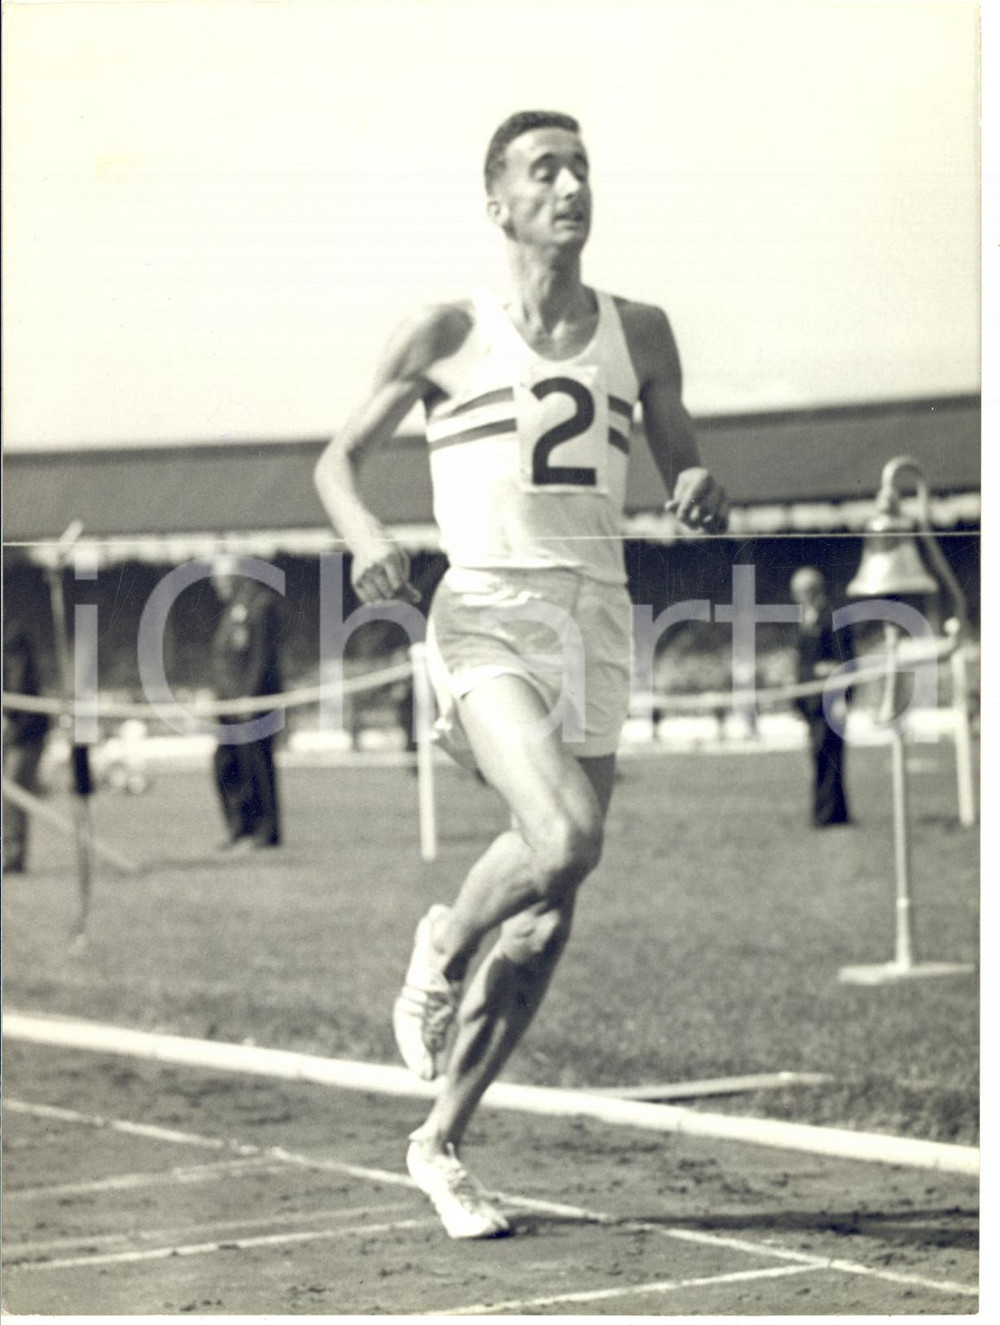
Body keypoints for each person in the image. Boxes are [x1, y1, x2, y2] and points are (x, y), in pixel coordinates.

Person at [314, 110, 728, 1239]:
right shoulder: (448, 330)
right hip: (486, 613)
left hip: (593, 620)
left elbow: (684, 459)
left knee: (548, 912)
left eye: (582, 165)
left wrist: (696, 487)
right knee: (563, 835)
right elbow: (336, 460)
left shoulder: (639, 331)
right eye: (544, 169)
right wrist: (365, 543)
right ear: (497, 202)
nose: (570, 184)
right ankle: (440, 946)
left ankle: (438, 1141)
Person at [210, 557, 284, 852]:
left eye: (222, 581)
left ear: (236, 577)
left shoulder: (260, 604)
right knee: (225, 764)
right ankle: (239, 826)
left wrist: (250, 696)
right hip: (228, 705)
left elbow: (262, 657)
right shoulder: (232, 608)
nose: (218, 587)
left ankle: (266, 831)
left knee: (258, 765)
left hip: (252, 703)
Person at [790, 566, 852, 827]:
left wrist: (841, 698)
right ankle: (830, 812)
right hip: (811, 702)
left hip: (829, 700)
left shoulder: (832, 618)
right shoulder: (807, 619)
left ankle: (828, 814)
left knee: (828, 754)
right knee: (820, 755)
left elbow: (845, 661)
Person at [2, 617, 52, 874]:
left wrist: (9, 725)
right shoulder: (15, 659)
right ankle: (13, 854)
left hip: (26, 737)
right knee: (11, 795)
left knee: (12, 795)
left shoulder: (17, 658)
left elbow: (16, 701)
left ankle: (14, 856)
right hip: (22, 735)